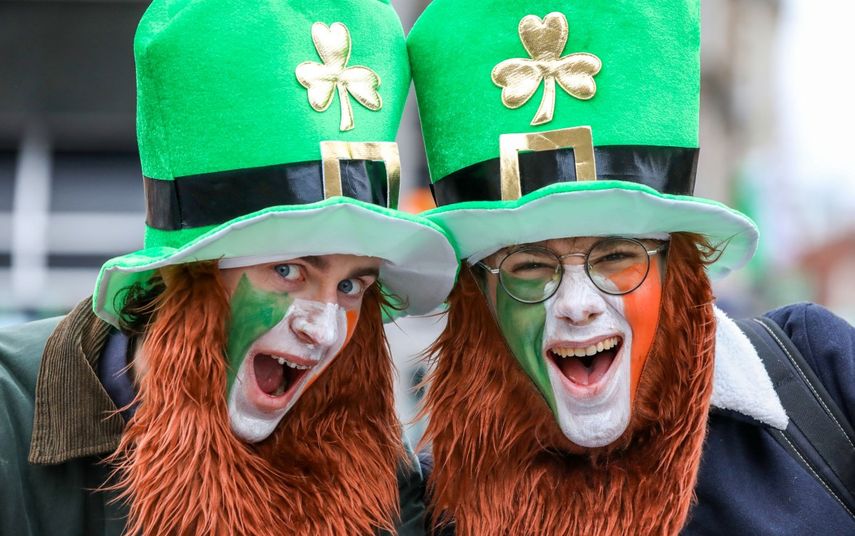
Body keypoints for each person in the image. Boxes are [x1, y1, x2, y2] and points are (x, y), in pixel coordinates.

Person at [0, 0, 458, 534]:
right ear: (186, 274)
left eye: (352, 284)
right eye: (287, 271)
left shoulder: (382, 476)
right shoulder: (11, 416)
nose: (324, 328)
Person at [407, 0, 855, 534]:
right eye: (529, 266)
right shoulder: (436, 512)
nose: (575, 305)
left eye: (618, 256)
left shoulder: (818, 380)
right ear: (479, 298)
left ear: (678, 271)